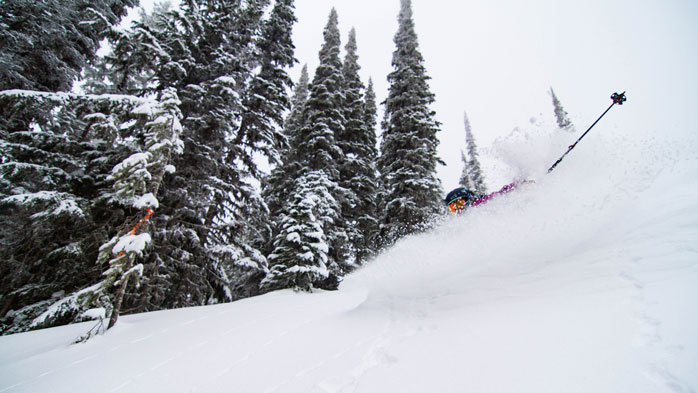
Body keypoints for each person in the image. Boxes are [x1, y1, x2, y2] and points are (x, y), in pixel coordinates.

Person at [445, 180, 528, 214]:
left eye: (459, 204)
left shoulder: (479, 204)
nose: (457, 209)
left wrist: (518, 183)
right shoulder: (465, 218)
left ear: (468, 198)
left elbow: (499, 194)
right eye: (452, 208)